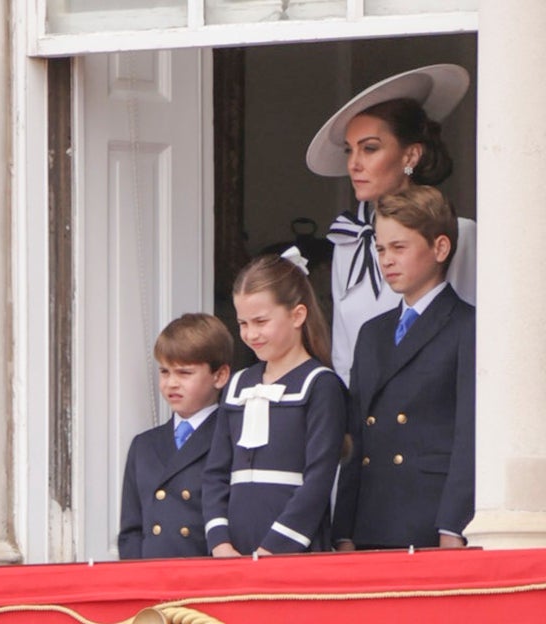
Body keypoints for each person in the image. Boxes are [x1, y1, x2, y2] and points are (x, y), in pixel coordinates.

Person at [306, 64, 476, 385]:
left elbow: (474, 337)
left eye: (369, 148)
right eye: (349, 150)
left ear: (410, 156)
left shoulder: (460, 233)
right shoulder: (348, 242)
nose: (354, 163)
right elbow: (345, 354)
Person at [332, 185, 475, 550]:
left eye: (399, 248)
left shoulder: (467, 326)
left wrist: (453, 526)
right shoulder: (371, 333)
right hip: (371, 517)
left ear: (440, 248)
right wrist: (343, 529)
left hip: (428, 517)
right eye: (380, 249)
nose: (386, 261)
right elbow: (355, 436)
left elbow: (468, 436)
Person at [203, 246, 347, 557]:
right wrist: (220, 543)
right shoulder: (238, 384)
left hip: (294, 551)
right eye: (243, 324)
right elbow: (215, 472)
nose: (250, 334)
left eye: (260, 321)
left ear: (298, 315)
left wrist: (274, 550)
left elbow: (318, 480)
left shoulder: (320, 385)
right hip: (234, 553)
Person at [118, 313, 233, 559]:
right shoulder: (144, 445)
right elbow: (131, 531)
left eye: (184, 373)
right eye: (164, 372)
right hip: (153, 581)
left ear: (220, 376)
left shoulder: (232, 437)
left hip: (204, 580)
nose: (171, 383)